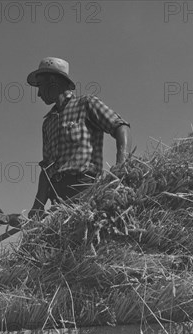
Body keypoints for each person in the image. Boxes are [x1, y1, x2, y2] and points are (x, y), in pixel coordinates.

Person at [26, 57, 132, 218]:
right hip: (59, 198)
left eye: (40, 86)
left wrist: (121, 167)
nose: (39, 93)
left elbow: (120, 127)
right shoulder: (48, 122)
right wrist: (38, 206)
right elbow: (47, 168)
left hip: (84, 188)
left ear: (53, 81)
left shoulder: (85, 104)